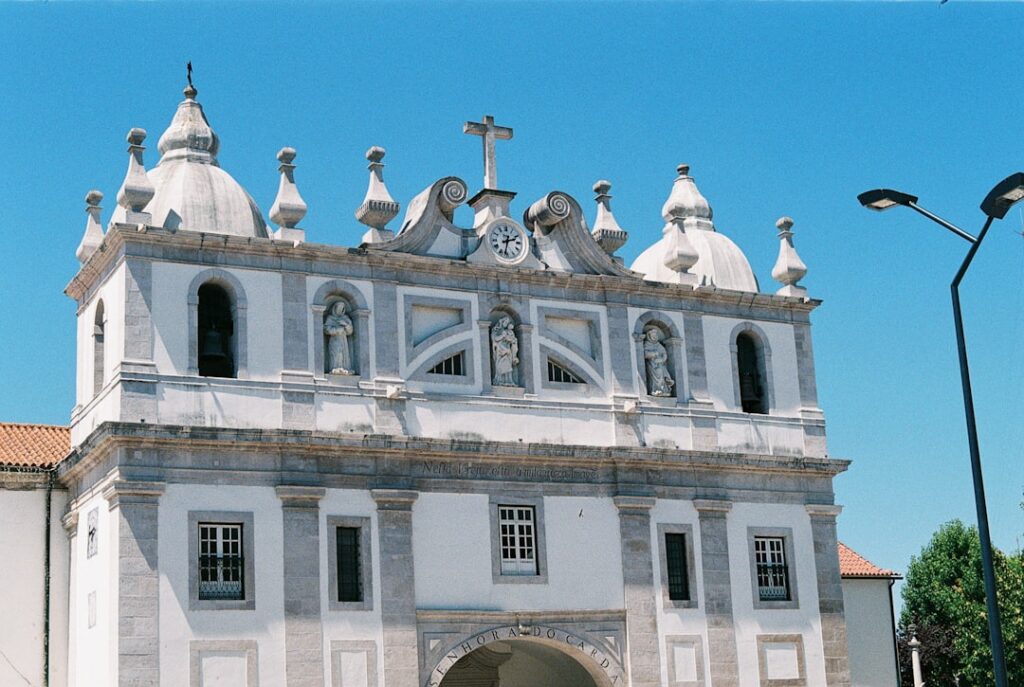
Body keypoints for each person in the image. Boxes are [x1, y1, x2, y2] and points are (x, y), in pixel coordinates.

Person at [325, 301, 355, 375]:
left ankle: (344, 368)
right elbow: (326, 329)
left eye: (341, 308)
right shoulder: (330, 318)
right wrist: (337, 330)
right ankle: (334, 368)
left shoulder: (345, 319)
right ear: (335, 308)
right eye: (339, 308)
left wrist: (346, 325)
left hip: (343, 340)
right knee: (336, 353)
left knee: (343, 354)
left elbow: (350, 331)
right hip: (334, 339)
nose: (340, 310)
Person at [643, 326, 674, 396]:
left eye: (655, 335)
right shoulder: (647, 344)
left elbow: (664, 354)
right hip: (651, 364)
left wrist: (662, 359)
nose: (654, 337)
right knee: (657, 372)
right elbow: (645, 354)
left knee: (661, 371)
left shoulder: (659, 345)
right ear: (649, 336)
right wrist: (653, 354)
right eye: (653, 335)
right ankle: (655, 389)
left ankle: (663, 389)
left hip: (659, 363)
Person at [490, 316, 519, 386]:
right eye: (505, 322)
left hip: (507, 349)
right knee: (500, 364)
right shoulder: (496, 329)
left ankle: (508, 381)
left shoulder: (508, 331)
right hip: (500, 350)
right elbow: (495, 339)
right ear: (502, 322)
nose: (506, 324)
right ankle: (499, 380)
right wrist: (502, 336)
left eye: (507, 322)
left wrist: (512, 340)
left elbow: (512, 340)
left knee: (508, 365)